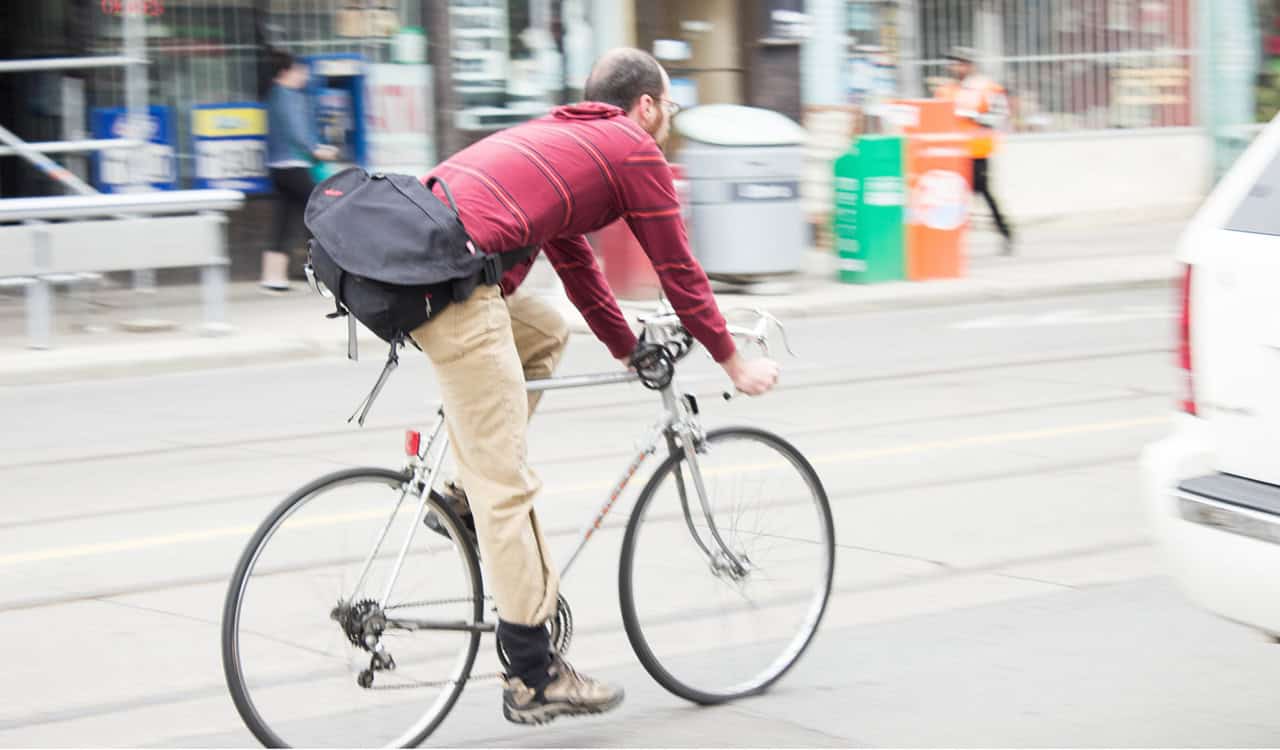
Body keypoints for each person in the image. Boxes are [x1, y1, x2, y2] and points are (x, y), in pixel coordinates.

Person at [413, 47, 780, 725]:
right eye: (669, 106)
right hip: (455, 291)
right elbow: (679, 268)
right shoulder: (630, 149)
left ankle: (463, 490)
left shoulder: (565, 138)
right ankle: (532, 676)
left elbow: (576, 263)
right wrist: (732, 360)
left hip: (424, 269)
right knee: (509, 487)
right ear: (644, 106)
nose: (668, 120)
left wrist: (627, 348)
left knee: (545, 328)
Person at [261, 50, 336, 292]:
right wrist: (317, 150)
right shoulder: (287, 96)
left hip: (278, 169)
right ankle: (320, 271)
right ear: (287, 72)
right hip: (294, 167)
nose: (304, 75)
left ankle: (273, 277)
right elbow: (297, 132)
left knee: (283, 220)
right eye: (300, 70)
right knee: (318, 215)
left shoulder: (274, 95)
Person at [935, 46, 1015, 255]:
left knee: (984, 193)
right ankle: (950, 240)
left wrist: (974, 117)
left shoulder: (986, 88)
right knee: (954, 195)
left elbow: (1000, 114)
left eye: (960, 63)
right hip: (954, 152)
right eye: (953, 63)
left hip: (978, 151)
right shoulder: (946, 90)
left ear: (969, 66)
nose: (955, 67)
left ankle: (1005, 232)